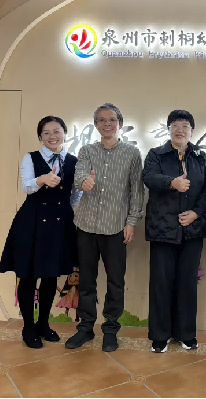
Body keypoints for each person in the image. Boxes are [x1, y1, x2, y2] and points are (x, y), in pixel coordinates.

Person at [65, 103, 144, 353]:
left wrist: (131, 222)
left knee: (115, 282)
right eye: (101, 120)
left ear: (120, 123)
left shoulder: (132, 153)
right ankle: (85, 328)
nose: (106, 124)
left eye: (111, 119)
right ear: (96, 125)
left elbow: (136, 191)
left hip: (116, 227)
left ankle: (111, 330)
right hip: (86, 226)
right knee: (86, 281)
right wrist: (84, 182)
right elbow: (79, 176)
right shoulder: (87, 150)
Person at [0, 116, 82, 349]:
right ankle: (28, 327)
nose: (52, 136)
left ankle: (43, 324)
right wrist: (42, 179)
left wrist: (63, 210)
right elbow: (26, 186)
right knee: (27, 275)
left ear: (64, 133)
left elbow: (76, 194)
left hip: (59, 224)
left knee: (50, 276)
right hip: (31, 222)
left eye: (56, 131)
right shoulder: (31, 157)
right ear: (40, 137)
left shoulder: (73, 161)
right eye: (46, 133)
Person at [143, 110, 206, 353]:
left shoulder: (201, 157)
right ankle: (159, 336)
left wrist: (196, 213)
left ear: (192, 131)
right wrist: (171, 182)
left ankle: (186, 334)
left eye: (185, 126)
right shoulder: (156, 154)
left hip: (191, 229)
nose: (180, 130)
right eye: (175, 125)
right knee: (161, 284)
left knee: (187, 284)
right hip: (162, 229)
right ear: (169, 130)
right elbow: (149, 177)